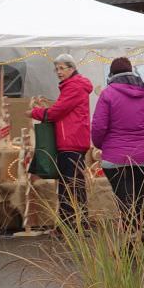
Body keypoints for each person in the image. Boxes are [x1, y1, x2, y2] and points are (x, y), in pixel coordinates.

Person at [91, 56, 144, 224]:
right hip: (143, 157)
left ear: (112, 74)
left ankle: (131, 235)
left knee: (124, 201)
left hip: (115, 158)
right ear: (132, 71)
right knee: (141, 197)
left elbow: (99, 127)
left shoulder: (107, 94)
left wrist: (101, 145)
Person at [31, 53, 94, 228]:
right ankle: (78, 223)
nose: (58, 72)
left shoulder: (74, 86)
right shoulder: (74, 85)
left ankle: (69, 225)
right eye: (56, 69)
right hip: (73, 140)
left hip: (70, 141)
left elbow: (57, 112)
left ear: (72, 68)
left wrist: (35, 112)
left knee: (69, 185)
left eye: (62, 68)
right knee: (74, 184)